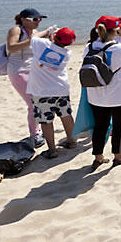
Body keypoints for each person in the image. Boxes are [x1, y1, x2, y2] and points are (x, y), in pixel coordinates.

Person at [84, 16, 121, 169]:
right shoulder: (120, 48)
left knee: (99, 127)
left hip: (95, 95)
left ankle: (98, 157)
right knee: (118, 127)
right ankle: (118, 156)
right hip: (118, 96)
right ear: (115, 31)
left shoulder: (88, 47)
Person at [27, 27, 78, 158]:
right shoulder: (67, 53)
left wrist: (47, 31)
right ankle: (71, 141)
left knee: (45, 121)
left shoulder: (42, 44)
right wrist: (51, 37)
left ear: (55, 37)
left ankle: (52, 150)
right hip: (61, 89)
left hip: (42, 92)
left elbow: (33, 36)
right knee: (66, 115)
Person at [7, 8, 50, 147]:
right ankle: (35, 135)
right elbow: (11, 47)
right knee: (33, 103)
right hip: (18, 71)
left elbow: (40, 45)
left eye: (40, 19)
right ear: (24, 20)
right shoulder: (16, 30)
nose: (38, 22)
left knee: (36, 102)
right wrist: (31, 41)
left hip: (33, 71)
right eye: (35, 19)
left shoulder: (35, 33)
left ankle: (37, 132)